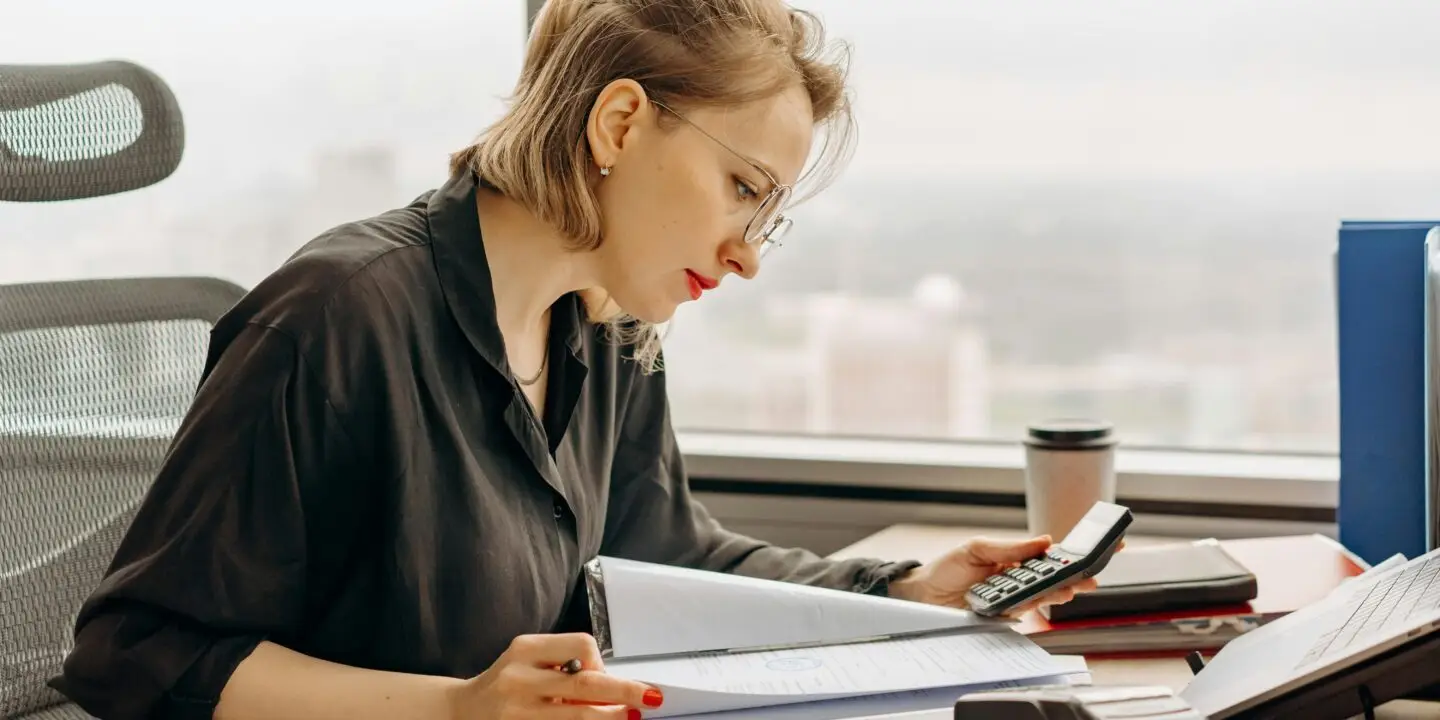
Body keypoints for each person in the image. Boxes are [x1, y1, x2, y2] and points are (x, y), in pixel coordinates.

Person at [51, 1, 1096, 718]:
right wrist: (455, 709)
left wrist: (902, 591)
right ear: (620, 120)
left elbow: (665, 552)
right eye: (742, 188)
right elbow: (137, 656)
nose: (746, 254)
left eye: (768, 215)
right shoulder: (339, 319)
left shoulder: (607, 330)